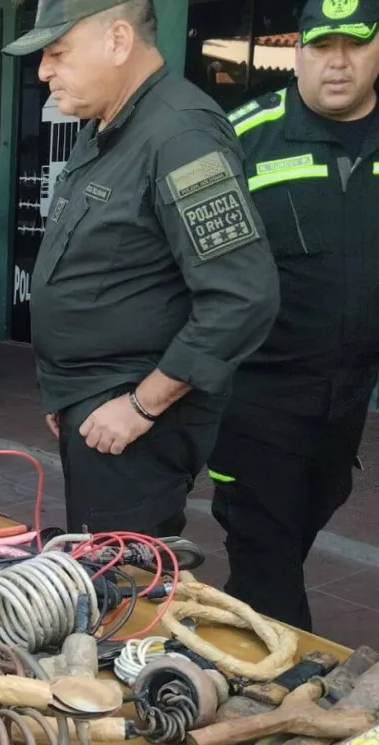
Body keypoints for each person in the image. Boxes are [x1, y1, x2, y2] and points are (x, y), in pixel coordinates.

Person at [2, 0, 280, 535]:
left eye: (57, 52)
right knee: (101, 562)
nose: (43, 71)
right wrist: (66, 388)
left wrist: (139, 406)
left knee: (128, 583)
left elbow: (242, 297)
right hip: (93, 400)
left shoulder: (180, 136)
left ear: (118, 40)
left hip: (133, 413)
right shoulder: (105, 125)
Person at [207, 0, 379, 632]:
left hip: (348, 396)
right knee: (266, 557)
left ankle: (240, 634)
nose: (338, 62)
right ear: (298, 51)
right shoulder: (243, 135)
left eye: (355, 45)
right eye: (321, 46)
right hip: (258, 399)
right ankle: (284, 694)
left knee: (306, 519)